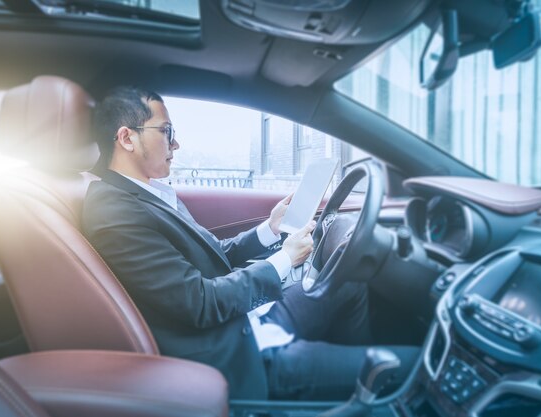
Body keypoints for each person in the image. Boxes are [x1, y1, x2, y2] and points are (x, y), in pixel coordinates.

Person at [82, 86, 418, 400]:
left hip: (248, 319)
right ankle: (377, 383)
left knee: (349, 281)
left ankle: (366, 396)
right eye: (167, 132)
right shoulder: (115, 210)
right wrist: (284, 259)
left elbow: (213, 254)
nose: (175, 145)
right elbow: (201, 302)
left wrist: (269, 229)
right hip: (239, 354)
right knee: (414, 365)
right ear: (126, 138)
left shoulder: (148, 192)